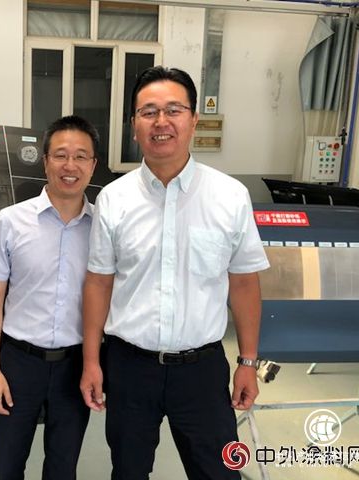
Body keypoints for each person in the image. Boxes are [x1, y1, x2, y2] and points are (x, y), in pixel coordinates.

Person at [79, 66, 270, 480]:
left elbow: (243, 283)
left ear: (193, 120)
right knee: (128, 471)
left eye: (173, 110)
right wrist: (92, 361)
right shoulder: (113, 199)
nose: (161, 122)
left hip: (202, 371)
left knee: (219, 472)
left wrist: (248, 361)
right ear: (134, 124)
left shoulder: (230, 196)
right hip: (130, 368)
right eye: (148, 112)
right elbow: (99, 282)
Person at [0, 115, 98, 480]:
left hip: (75, 365)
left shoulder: (104, 228)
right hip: (18, 364)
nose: (70, 166)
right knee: (7, 467)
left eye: (80, 156)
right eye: (60, 155)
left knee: (63, 468)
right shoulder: (10, 221)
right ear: (45, 161)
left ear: (93, 165)